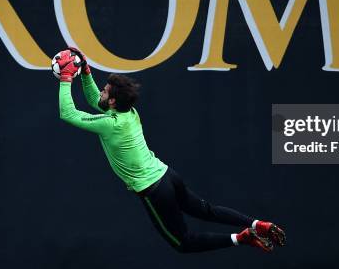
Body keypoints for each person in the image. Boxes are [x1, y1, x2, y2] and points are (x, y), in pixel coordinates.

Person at [55, 48, 286, 253]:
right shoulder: (128, 113)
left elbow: (68, 113)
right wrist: (85, 72)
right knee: (207, 210)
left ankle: (242, 238)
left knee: (183, 243)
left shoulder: (111, 124)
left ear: (114, 101)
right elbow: (96, 99)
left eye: (106, 92)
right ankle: (257, 223)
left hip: (154, 190)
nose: (101, 93)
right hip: (167, 175)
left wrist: (66, 79)